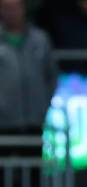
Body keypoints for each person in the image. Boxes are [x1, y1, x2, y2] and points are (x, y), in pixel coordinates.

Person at [0, 0, 57, 132]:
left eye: (15, 8)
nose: (11, 13)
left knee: (34, 152)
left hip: (35, 119)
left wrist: (43, 106)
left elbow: (51, 77)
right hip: (3, 122)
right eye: (6, 8)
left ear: (23, 8)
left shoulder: (40, 39)